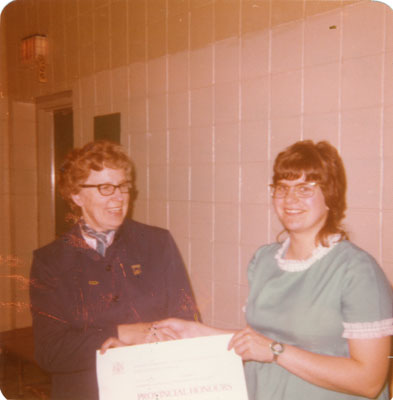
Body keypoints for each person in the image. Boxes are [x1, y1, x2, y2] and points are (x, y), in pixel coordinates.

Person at [156, 140, 393, 400]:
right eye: (282, 188)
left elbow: (369, 381)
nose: (290, 199)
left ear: (330, 196)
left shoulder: (357, 272)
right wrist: (193, 332)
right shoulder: (265, 259)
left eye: (305, 189)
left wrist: (276, 351)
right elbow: (259, 342)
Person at [29, 140, 199, 400]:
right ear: (76, 194)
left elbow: (187, 320)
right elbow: (50, 351)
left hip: (152, 387)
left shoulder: (156, 242)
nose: (118, 197)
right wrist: (122, 334)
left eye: (123, 187)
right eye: (105, 188)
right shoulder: (50, 261)